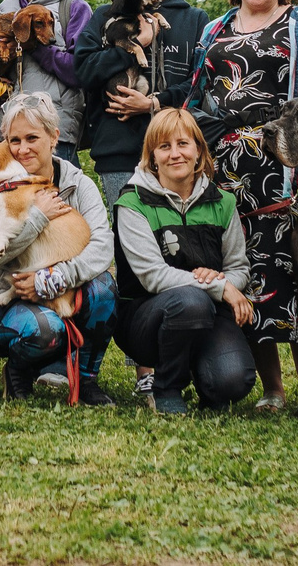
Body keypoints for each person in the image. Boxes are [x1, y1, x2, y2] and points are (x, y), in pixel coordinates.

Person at [184, 0, 298, 411]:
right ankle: (272, 388)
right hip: (224, 172)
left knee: (292, 274)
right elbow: (195, 97)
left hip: (282, 167)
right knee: (245, 274)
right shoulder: (216, 28)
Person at [0, 95, 118, 402]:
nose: (22, 149)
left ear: (54, 137)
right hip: (5, 301)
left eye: (32, 138)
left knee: (104, 289)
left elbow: (103, 248)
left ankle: (85, 378)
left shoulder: (79, 185)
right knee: (45, 329)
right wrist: (37, 217)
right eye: (14, 140)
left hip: (64, 290)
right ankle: (19, 370)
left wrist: (52, 279)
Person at [113, 108, 256, 415]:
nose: (175, 154)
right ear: (152, 156)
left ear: (199, 150)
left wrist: (223, 280)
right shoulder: (132, 203)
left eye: (183, 144)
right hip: (144, 319)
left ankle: (205, 374)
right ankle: (166, 386)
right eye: (164, 146)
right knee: (191, 301)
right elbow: (153, 276)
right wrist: (218, 286)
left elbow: (239, 268)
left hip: (209, 315)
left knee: (233, 381)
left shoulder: (223, 202)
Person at [72, 0, 209, 213]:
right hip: (119, 154)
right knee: (128, 238)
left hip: (178, 154)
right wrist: (134, 46)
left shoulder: (194, 19)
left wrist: (153, 103)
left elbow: (200, 83)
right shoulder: (105, 17)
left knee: (182, 237)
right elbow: (83, 71)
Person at [0, 0, 93, 161]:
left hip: (54, 134)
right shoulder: (5, 8)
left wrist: (30, 43)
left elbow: (80, 71)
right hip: (7, 134)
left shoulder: (74, 9)